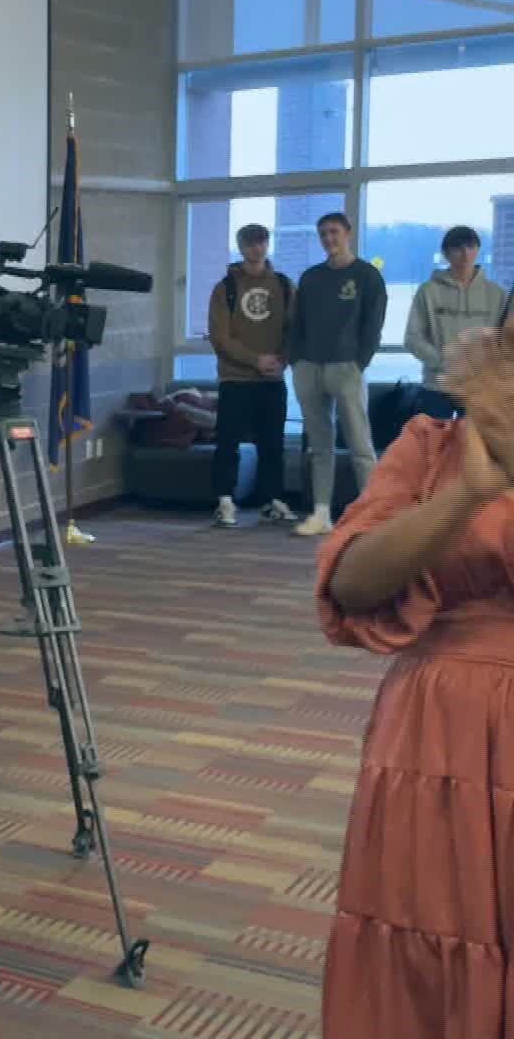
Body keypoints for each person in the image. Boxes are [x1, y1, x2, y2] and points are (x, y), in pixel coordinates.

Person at [315, 327, 514, 1036]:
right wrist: (466, 494)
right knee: (420, 961)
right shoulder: (431, 444)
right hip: (435, 743)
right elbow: (351, 581)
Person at [287, 212, 386, 537]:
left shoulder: (368, 276)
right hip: (309, 368)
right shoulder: (311, 277)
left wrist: (359, 363)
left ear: (348, 233)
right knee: (319, 447)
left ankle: (372, 515)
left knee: (360, 446)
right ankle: (321, 513)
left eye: (334, 232)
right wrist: (296, 360)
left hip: (347, 369)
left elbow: (373, 326)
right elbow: (297, 323)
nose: (329, 239)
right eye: (323, 234)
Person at [205, 222, 296, 527]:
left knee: (273, 444)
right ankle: (225, 501)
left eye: (261, 242)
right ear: (240, 247)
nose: (255, 248)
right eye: (249, 243)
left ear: (267, 245)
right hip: (236, 380)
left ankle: (272, 501)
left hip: (273, 380)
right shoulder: (225, 288)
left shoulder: (283, 285)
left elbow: (294, 329)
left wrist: (280, 360)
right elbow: (220, 337)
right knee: (228, 443)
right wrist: (255, 360)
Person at [406, 225, 506, 419]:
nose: (465, 254)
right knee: (435, 446)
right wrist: (444, 362)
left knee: (475, 446)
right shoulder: (428, 292)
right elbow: (412, 338)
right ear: (446, 253)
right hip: (437, 386)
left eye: (470, 247)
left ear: (477, 250)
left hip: (480, 387)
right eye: (458, 249)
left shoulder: (496, 294)